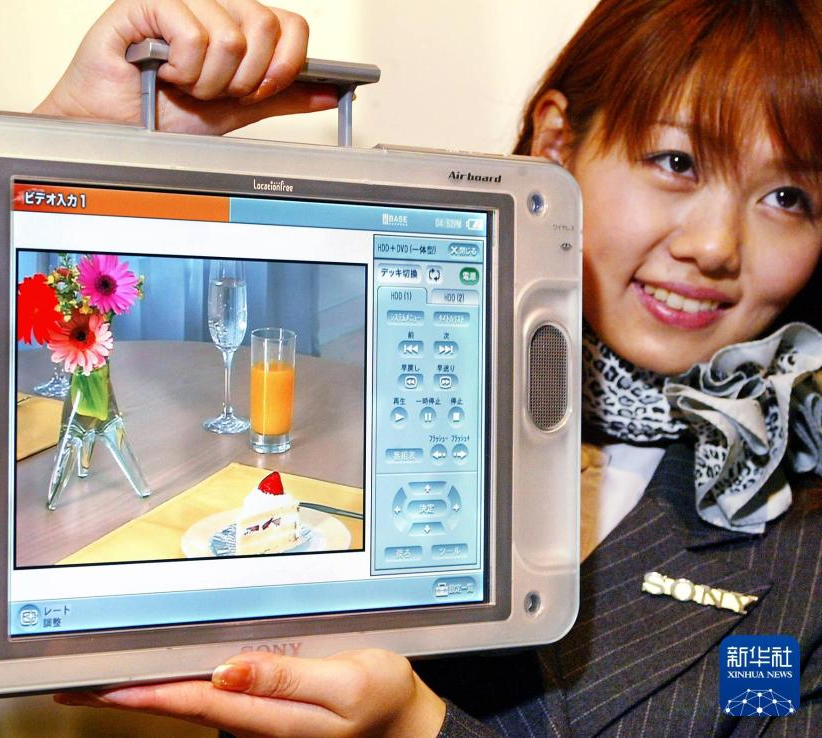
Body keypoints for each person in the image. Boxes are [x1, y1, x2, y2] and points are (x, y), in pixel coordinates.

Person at [43, 1, 822, 735]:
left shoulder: (798, 545)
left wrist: (416, 726)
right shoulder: (380, 387)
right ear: (558, 143)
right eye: (678, 161)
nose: (715, 246)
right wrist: (76, 137)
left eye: (788, 196)